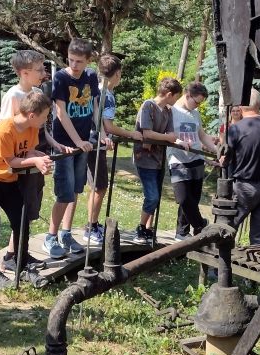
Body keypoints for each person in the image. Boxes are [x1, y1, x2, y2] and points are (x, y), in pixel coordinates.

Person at [0, 91, 54, 288]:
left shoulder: (32, 128)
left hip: (8, 180)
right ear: (32, 115)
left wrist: (40, 158)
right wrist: (35, 161)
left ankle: (21, 266)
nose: (46, 120)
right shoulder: (4, 130)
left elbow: (28, 152)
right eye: (45, 116)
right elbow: (12, 162)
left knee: (21, 221)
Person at [0, 49, 60, 273]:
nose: (43, 73)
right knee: (22, 209)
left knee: (32, 208)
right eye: (39, 70)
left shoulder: (37, 92)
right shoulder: (13, 96)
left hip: (37, 158)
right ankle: (12, 256)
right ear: (24, 73)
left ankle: (18, 252)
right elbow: (5, 131)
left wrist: (54, 144)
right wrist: (26, 158)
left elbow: (43, 129)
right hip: (21, 162)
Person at [44, 38, 102, 258]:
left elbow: (94, 105)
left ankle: (66, 233)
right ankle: (51, 237)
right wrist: (77, 141)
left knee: (76, 190)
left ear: (88, 61)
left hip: (83, 143)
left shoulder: (91, 76)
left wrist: (101, 133)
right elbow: (60, 112)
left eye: (79, 61)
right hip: (64, 146)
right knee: (64, 193)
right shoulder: (61, 77)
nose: (74, 65)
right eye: (71, 60)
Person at [83, 53, 142, 245]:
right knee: (100, 187)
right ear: (117, 74)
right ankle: (90, 228)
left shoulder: (99, 90)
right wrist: (131, 134)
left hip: (92, 142)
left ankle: (93, 224)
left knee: (96, 186)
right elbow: (108, 126)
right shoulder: (106, 95)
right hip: (95, 144)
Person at [132, 77, 188, 244]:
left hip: (158, 160)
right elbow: (147, 133)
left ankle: (148, 229)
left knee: (155, 197)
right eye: (176, 97)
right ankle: (141, 228)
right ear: (169, 94)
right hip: (145, 159)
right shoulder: (148, 106)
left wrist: (176, 140)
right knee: (152, 197)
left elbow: (171, 135)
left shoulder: (167, 111)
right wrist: (167, 137)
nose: (176, 101)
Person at [225, 90, 260, 245]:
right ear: (259, 104)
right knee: (258, 237)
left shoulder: (236, 128)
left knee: (228, 228)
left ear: (241, 106)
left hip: (244, 188)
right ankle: (257, 257)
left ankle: (221, 259)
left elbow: (226, 157)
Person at [168, 81, 218, 240]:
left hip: (197, 158)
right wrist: (178, 142)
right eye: (197, 102)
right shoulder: (172, 110)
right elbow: (167, 134)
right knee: (183, 197)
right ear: (188, 95)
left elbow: (201, 135)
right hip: (177, 158)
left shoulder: (195, 113)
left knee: (193, 200)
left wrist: (216, 150)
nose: (198, 106)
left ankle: (182, 232)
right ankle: (200, 224)